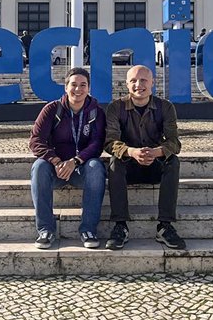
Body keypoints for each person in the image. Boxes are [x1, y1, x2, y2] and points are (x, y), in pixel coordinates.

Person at [104, 64, 185, 250]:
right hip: (129, 166)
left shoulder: (165, 107)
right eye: (133, 80)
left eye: (143, 80)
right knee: (115, 163)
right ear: (126, 84)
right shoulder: (116, 107)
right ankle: (120, 226)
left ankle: (165, 226)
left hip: (154, 164)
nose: (138, 85)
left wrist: (156, 152)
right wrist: (132, 152)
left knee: (173, 161)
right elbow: (110, 142)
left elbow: (174, 142)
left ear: (152, 83)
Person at [29, 67, 106, 249]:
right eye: (73, 85)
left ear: (88, 88)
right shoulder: (52, 109)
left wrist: (76, 161)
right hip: (55, 170)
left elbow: (97, 144)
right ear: (65, 87)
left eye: (83, 85)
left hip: (82, 169)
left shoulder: (96, 112)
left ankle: (88, 230)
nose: (78, 90)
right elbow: (35, 141)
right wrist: (56, 161)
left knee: (96, 167)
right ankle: (45, 230)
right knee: (39, 167)